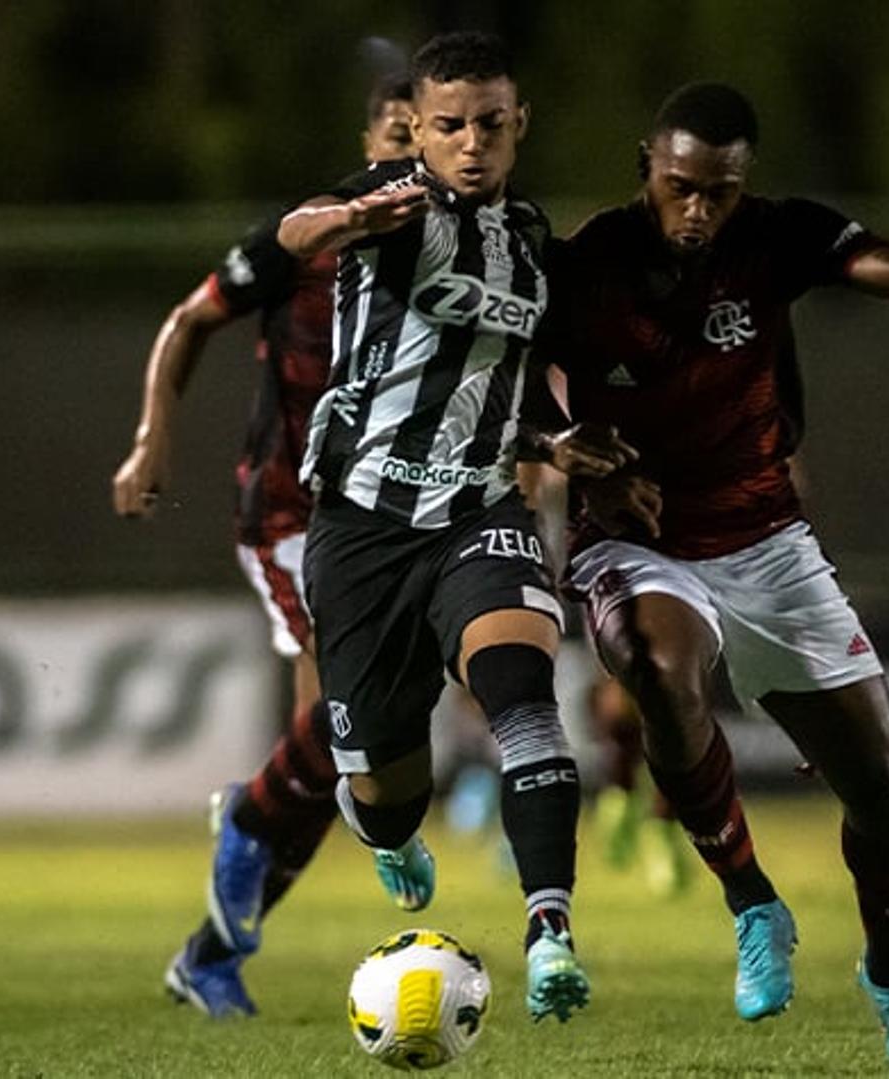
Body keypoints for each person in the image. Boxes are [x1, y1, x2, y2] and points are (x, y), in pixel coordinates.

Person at [535, 82, 889, 1067]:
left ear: (745, 186)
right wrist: (562, 444)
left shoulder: (778, 238)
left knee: (883, 793)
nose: (699, 210)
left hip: (766, 536)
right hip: (639, 536)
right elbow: (512, 381)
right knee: (654, 664)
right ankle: (752, 901)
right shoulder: (590, 265)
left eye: (720, 193)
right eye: (681, 186)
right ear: (645, 165)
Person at [276, 30, 626, 1024]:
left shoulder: (530, 240)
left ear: (518, 125)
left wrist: (556, 444)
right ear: (419, 130)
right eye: (448, 126)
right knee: (388, 786)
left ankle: (550, 930)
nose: (470, 143)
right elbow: (296, 234)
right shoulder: (390, 209)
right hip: (363, 527)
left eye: (489, 124)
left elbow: (513, 380)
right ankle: (389, 833)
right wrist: (347, 213)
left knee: (521, 691)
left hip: (478, 509)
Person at [113, 73, 416, 1019]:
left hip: (395, 521)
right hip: (294, 513)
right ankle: (244, 824)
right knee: (346, 717)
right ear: (369, 131)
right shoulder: (311, 231)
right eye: (397, 131)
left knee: (333, 761)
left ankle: (208, 954)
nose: (411, 152)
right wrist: (151, 437)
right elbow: (191, 316)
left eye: (433, 133)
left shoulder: (466, 238)